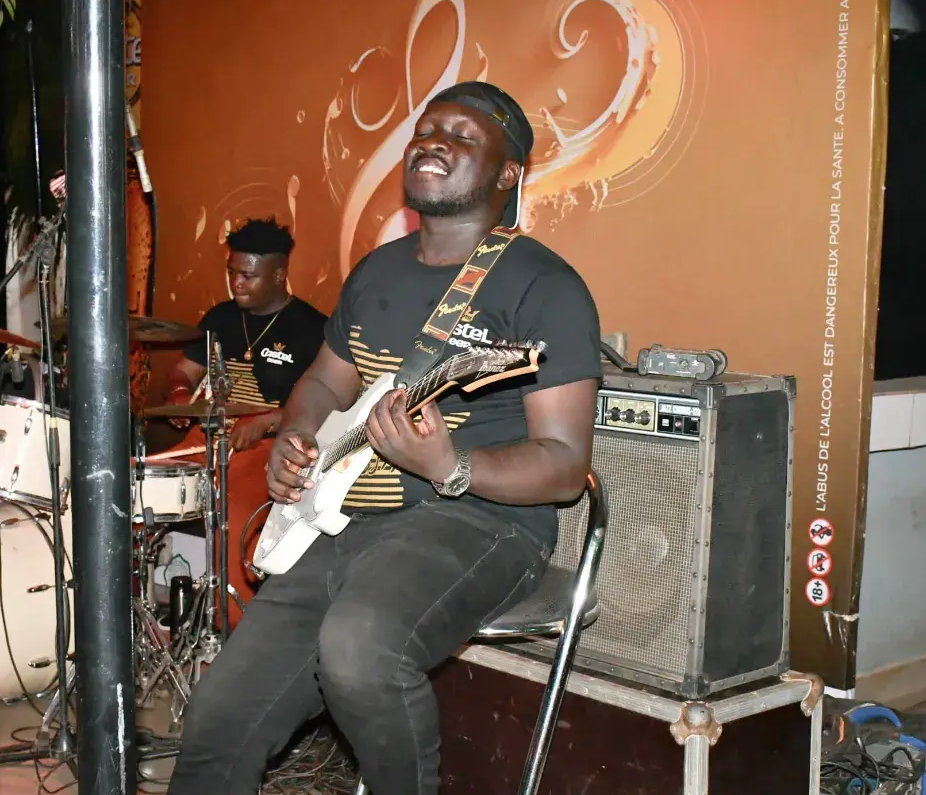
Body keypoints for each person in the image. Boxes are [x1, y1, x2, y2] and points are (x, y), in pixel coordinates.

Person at [167, 82, 601, 794]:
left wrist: (451, 465)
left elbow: (562, 467)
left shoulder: (543, 286)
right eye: (426, 130)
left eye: (462, 135)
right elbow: (323, 382)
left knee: (359, 648)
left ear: (507, 173)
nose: (433, 142)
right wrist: (295, 435)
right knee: (218, 718)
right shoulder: (376, 272)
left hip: (479, 521)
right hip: (349, 518)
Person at [161, 216, 326, 624]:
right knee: (132, 485)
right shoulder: (220, 318)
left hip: (269, 446)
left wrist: (268, 422)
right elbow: (184, 373)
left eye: (248, 276)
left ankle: (232, 628)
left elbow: (325, 405)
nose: (237, 283)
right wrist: (179, 393)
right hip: (209, 436)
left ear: (279, 274)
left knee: (233, 515)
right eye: (232, 273)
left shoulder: (313, 328)